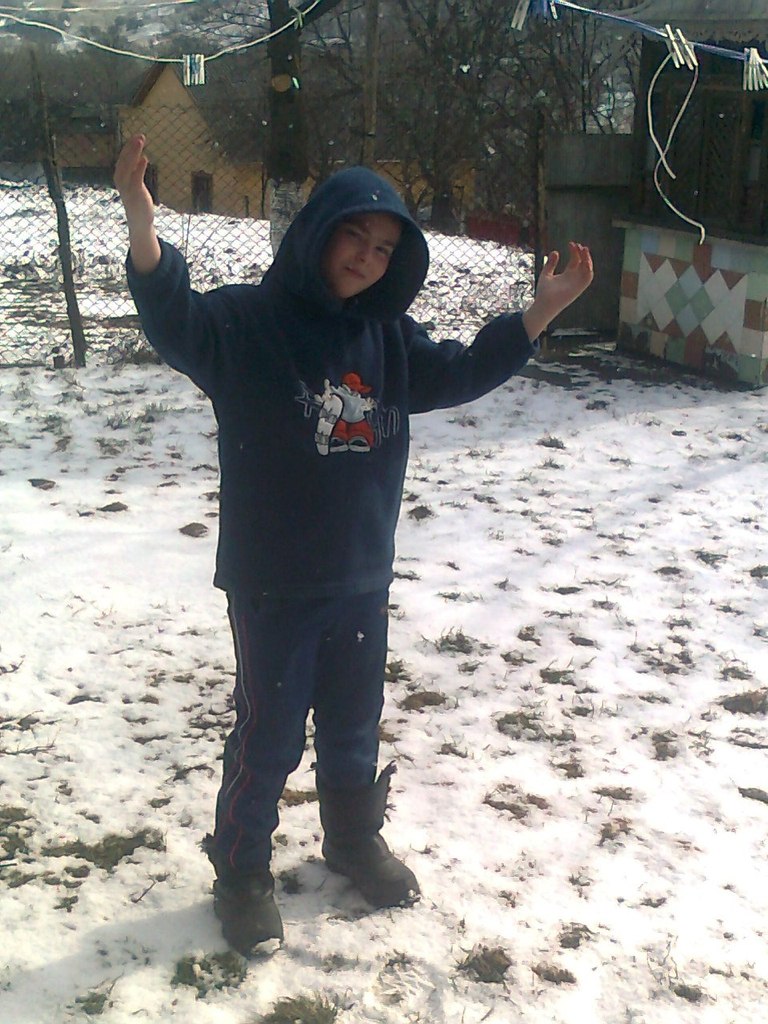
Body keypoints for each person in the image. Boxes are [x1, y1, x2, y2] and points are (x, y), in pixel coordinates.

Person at [114, 133, 593, 957]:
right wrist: (142, 226)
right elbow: (175, 318)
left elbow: (461, 370)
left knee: (352, 725)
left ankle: (351, 839)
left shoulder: (388, 338)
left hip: (361, 577)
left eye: (383, 251)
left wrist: (538, 313)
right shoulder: (249, 324)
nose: (367, 260)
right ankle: (242, 869)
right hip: (274, 582)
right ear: (317, 230)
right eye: (354, 237)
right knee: (269, 736)